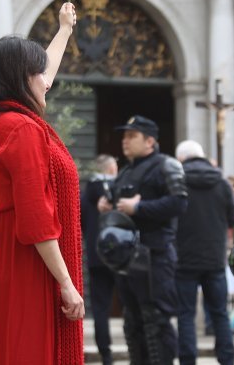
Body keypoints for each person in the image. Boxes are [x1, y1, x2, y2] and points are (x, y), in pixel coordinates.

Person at [0, 2, 85, 365]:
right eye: (38, 73)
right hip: (29, 260)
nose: (46, 80)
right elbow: (36, 218)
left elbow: (46, 75)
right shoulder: (22, 129)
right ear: (20, 79)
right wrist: (66, 283)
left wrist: (64, 29)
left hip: (9, 253)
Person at [97, 114, 188, 364]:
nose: (124, 141)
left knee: (156, 321)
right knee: (133, 322)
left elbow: (179, 202)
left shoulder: (166, 165)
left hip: (156, 257)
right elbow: (121, 210)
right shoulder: (126, 172)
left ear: (150, 141)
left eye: (131, 136)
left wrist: (141, 208)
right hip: (128, 260)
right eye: (124, 136)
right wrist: (108, 207)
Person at [174, 140, 234, 365]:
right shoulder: (222, 183)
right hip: (214, 259)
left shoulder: (178, 182)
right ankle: (227, 359)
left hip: (184, 259)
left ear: (181, 159)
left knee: (185, 314)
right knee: (220, 313)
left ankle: (187, 360)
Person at [80, 154, 119, 365]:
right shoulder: (121, 189)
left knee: (100, 308)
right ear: (112, 169)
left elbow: (82, 225)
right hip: (122, 255)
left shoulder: (87, 194)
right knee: (131, 304)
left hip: (97, 256)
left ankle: (106, 355)